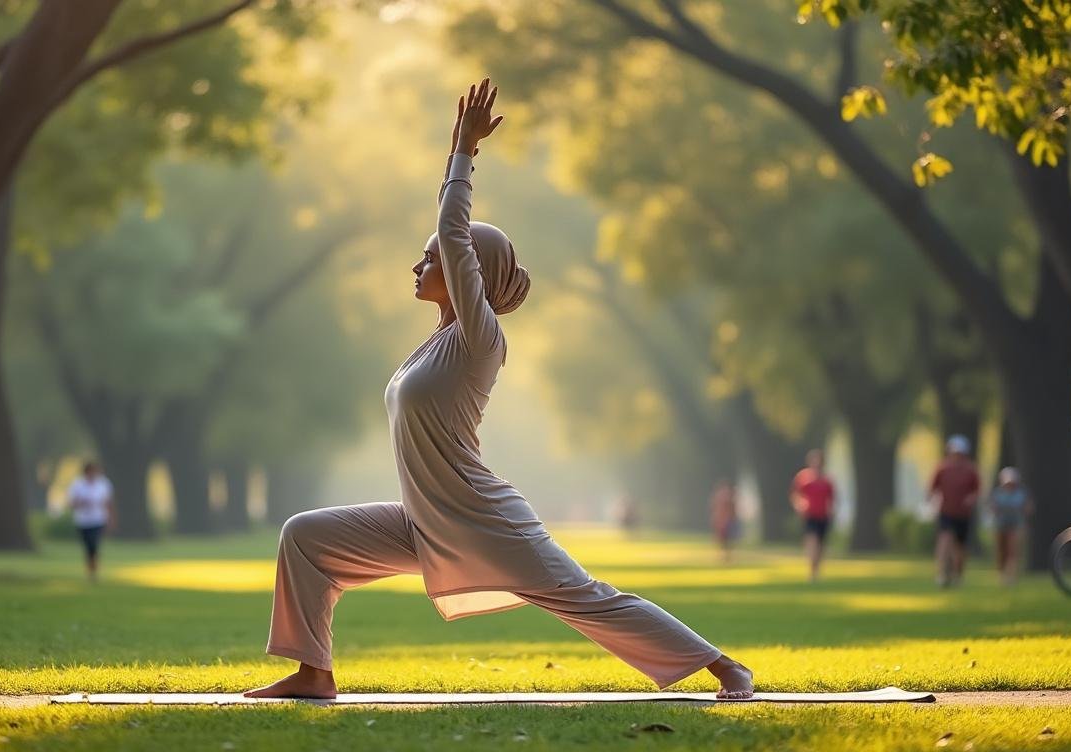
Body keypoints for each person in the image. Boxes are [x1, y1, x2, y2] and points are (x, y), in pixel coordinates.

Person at [245, 79, 753, 701]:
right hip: (424, 520)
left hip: (484, 522)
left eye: (429, 258)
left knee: (589, 601)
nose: (419, 264)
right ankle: (313, 673)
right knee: (306, 536)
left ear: (470, 276)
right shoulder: (435, 344)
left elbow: (455, 234)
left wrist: (465, 151)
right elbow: (451, 238)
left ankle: (726, 667)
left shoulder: (478, 341)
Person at [930, 435, 980, 588]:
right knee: (944, 541)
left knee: (960, 548)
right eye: (954, 452)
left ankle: (958, 575)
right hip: (946, 511)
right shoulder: (942, 468)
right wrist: (931, 502)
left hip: (963, 513)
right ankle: (942, 574)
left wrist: (971, 498)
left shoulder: (971, 470)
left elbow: (977, 490)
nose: (957, 456)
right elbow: (933, 488)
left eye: (960, 453)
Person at [790, 449, 835, 582]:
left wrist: (831, 510)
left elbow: (831, 499)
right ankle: (811, 570)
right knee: (812, 541)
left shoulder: (827, 481)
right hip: (810, 515)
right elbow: (795, 494)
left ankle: (816, 570)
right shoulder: (803, 477)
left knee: (820, 544)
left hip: (823, 515)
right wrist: (799, 506)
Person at [66, 461, 115, 582]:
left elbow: (108, 502)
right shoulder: (77, 485)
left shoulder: (103, 484)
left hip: (98, 519)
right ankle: (90, 568)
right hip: (82, 520)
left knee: (94, 544)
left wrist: (111, 518)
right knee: (88, 546)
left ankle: (93, 570)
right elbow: (71, 503)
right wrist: (82, 503)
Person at [987, 466, 1031, 586]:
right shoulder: (997, 493)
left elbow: (1028, 508)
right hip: (1001, 525)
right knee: (1002, 550)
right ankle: (1002, 574)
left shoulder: (1021, 493)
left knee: (1013, 550)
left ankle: (1011, 576)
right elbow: (992, 508)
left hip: (1016, 525)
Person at [710, 479, 737, 564]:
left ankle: (726, 556)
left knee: (726, 539)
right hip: (723, 520)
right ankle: (726, 556)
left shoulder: (723, 495)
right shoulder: (726, 495)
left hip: (725, 520)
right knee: (724, 540)